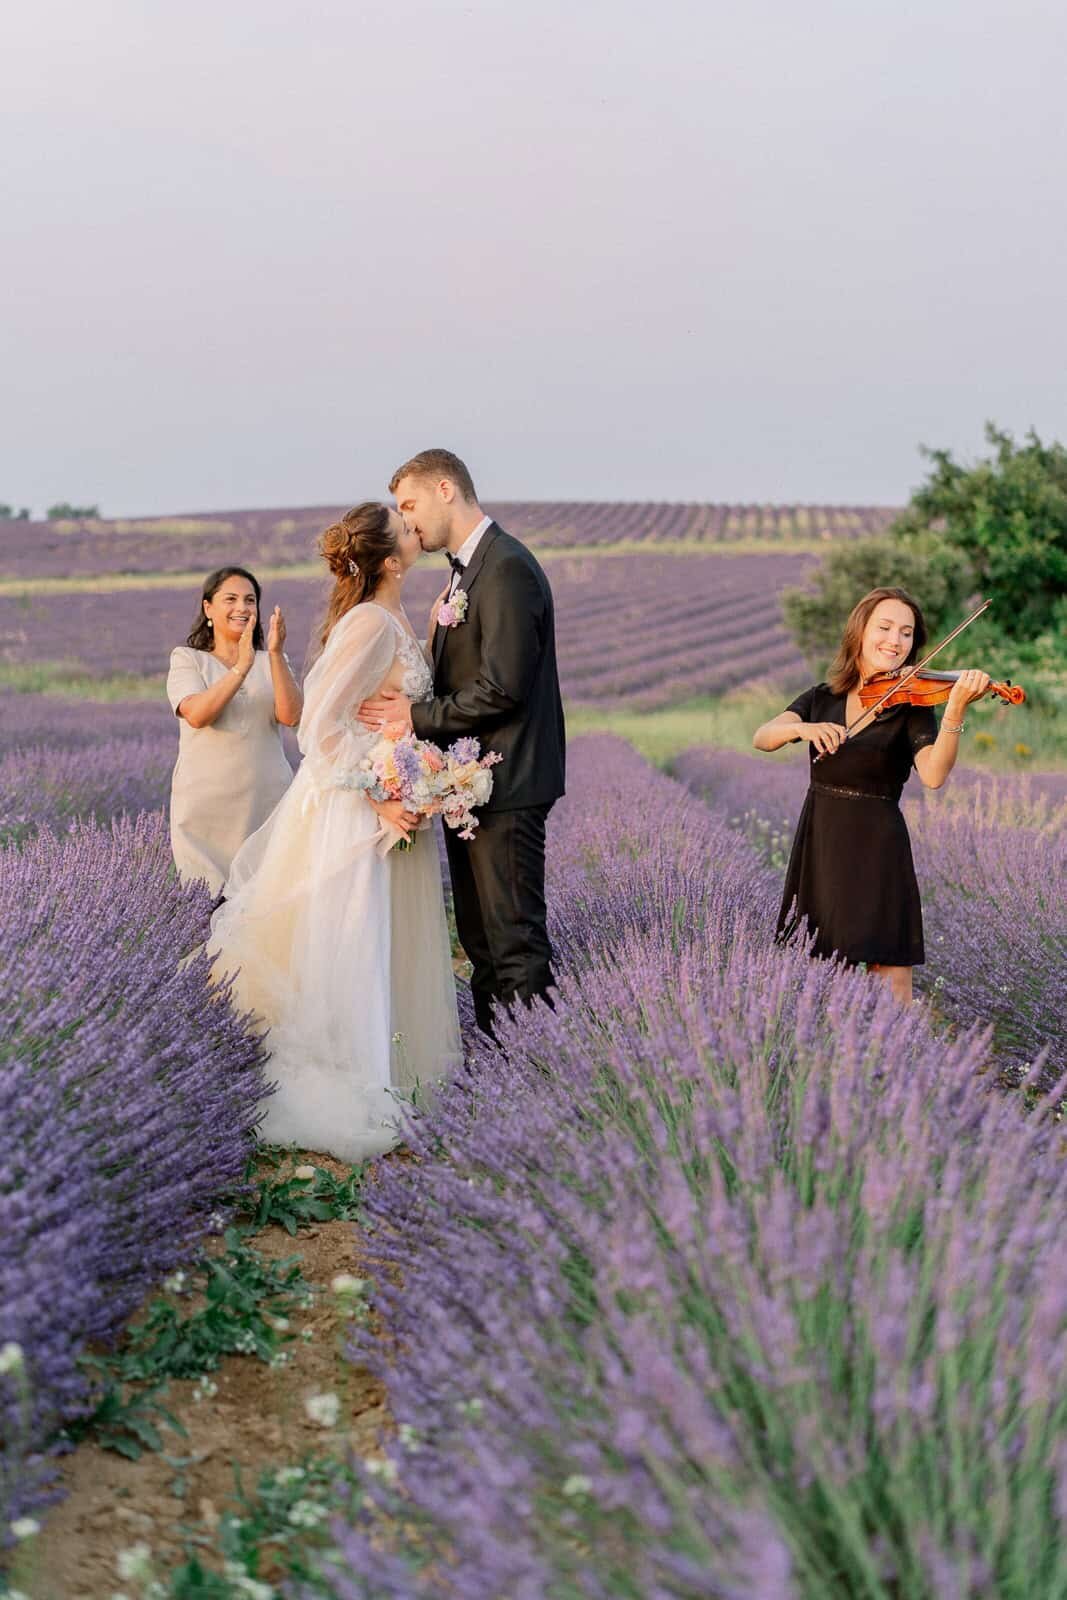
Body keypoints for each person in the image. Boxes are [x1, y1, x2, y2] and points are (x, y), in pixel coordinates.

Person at [209, 503, 462, 1162]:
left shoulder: (396, 616)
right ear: (385, 559)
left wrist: (418, 762)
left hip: (393, 804)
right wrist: (380, 797)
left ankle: (398, 1076)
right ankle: (365, 1080)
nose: (417, 530)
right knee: (359, 940)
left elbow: (386, 712)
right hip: (361, 817)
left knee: (387, 943)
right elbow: (319, 729)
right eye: (405, 528)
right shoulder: (370, 622)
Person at [359, 448, 566, 1038]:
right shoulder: (466, 572)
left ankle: (538, 1076)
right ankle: (497, 1069)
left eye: (410, 504)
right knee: (480, 943)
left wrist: (415, 716)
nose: (406, 521)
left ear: (445, 489)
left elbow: (503, 687)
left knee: (514, 942)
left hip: (508, 783)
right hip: (470, 789)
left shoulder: (505, 568)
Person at [752, 587, 990, 1004]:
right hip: (822, 846)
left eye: (906, 633)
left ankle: (898, 1065)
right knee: (815, 974)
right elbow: (763, 737)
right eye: (885, 628)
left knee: (891, 977)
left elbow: (934, 774)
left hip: (879, 851)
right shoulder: (819, 698)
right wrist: (801, 729)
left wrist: (954, 711)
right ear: (859, 632)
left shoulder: (913, 704)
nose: (894, 641)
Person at [167, 567, 303, 894]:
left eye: (250, 600)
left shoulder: (272, 659)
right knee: (208, 906)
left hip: (266, 806)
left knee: (266, 903)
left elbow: (291, 715)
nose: (242, 608)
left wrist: (272, 655)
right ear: (208, 608)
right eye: (231, 599)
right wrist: (241, 667)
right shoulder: (188, 660)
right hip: (205, 815)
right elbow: (198, 714)